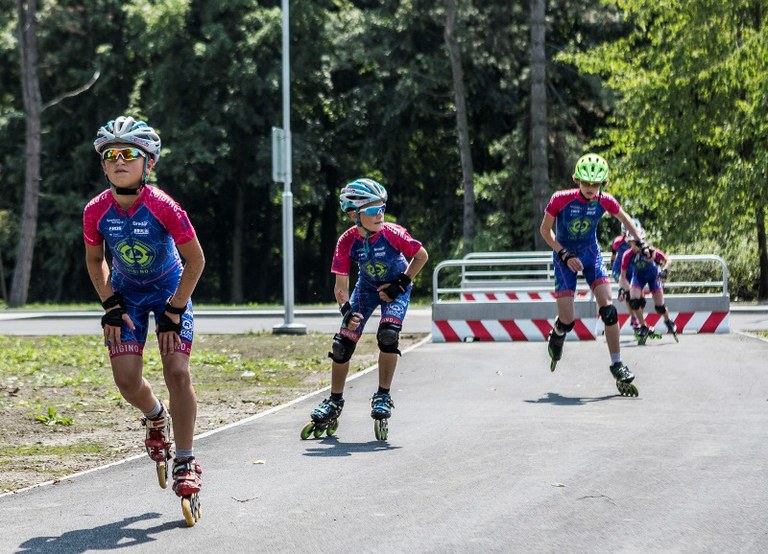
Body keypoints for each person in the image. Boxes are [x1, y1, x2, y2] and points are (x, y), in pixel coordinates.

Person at [83, 116, 206, 501]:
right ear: (103, 164)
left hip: (170, 290)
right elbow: (94, 260)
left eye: (130, 153)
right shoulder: (96, 210)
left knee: (178, 372)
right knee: (126, 381)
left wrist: (175, 310)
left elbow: (196, 261)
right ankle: (156, 416)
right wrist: (110, 304)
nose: (120, 160)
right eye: (111, 154)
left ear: (147, 162)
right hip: (127, 295)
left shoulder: (164, 206)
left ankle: (185, 460)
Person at [302, 178, 428, 439]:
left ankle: (383, 395)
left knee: (388, 335)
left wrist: (401, 283)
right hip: (367, 289)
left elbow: (421, 256)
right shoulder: (347, 241)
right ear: (353, 215)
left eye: (381, 208)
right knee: (342, 344)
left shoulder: (393, 233)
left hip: (396, 286)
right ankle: (335, 400)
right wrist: (346, 311)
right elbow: (340, 286)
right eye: (372, 210)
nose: (379, 214)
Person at [539, 153, 649, 394]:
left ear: (602, 184)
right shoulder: (561, 199)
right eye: (586, 183)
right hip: (564, 256)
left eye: (595, 184)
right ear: (577, 180)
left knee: (609, 310)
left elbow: (625, 218)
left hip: (591, 254)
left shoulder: (604, 200)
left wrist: (641, 242)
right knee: (568, 322)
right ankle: (558, 332)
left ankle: (617, 364)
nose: (590, 189)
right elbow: (545, 231)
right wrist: (564, 254)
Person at [618, 227, 676, 344]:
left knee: (659, 306)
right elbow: (622, 277)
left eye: (636, 243)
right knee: (634, 300)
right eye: (632, 243)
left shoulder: (650, 250)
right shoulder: (627, 255)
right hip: (638, 277)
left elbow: (668, 260)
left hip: (653, 276)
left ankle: (668, 321)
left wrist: (664, 270)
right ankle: (643, 325)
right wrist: (622, 288)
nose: (634, 246)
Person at [611, 218, 642, 333]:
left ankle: (638, 317)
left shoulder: (639, 243)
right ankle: (634, 318)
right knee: (628, 294)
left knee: (637, 297)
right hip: (619, 271)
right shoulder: (618, 241)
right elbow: (613, 254)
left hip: (631, 271)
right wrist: (612, 263)